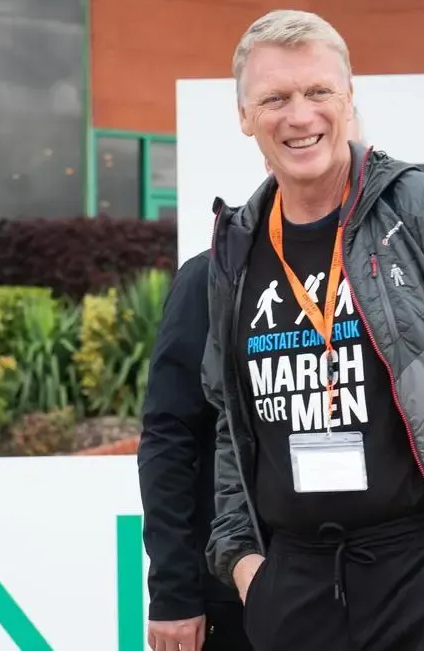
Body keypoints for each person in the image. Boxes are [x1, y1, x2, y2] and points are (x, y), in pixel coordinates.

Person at [200, 9, 424, 651]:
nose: (300, 115)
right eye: (274, 98)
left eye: (319, 92)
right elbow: (227, 421)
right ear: (244, 116)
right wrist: (246, 566)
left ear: (349, 101)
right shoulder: (239, 247)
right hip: (295, 589)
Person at [139, 251, 251, 651]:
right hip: (229, 589)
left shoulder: (373, 265)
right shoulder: (214, 273)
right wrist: (174, 592)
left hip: (361, 591)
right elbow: (169, 439)